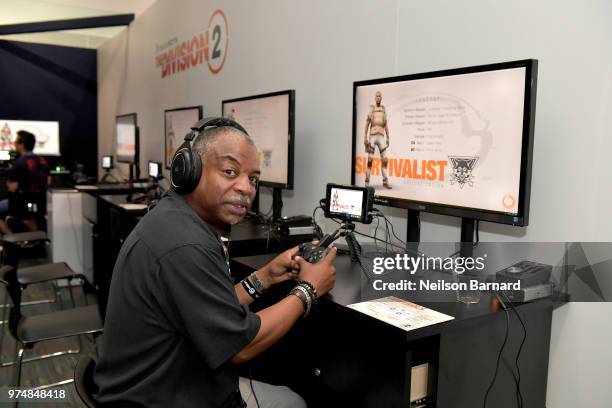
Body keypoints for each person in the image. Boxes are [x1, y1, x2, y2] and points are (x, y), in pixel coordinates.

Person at [94, 119, 337, 408]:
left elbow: (207, 307)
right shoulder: (185, 244)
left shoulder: (175, 219)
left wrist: (266, 277)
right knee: (295, 401)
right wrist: (309, 289)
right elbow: (241, 346)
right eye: (230, 172)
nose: (246, 188)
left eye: (253, 179)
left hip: (163, 384)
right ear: (189, 170)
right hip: (162, 397)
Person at [0, 130, 49, 234]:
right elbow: (48, 181)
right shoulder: (43, 161)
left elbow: (12, 188)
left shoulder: (20, 162)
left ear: (22, 145)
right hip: (39, 204)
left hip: (20, 204)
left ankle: (12, 238)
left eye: (16, 141)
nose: (14, 143)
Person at [364, 91, 392, 189]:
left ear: (381, 98)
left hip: (381, 136)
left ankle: (385, 181)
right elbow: (367, 123)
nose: (378, 97)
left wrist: (388, 137)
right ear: (375, 98)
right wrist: (365, 137)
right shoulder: (371, 109)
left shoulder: (383, 110)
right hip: (372, 136)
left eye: (380, 96)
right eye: (377, 96)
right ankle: (366, 183)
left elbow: (386, 125)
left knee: (384, 160)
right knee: (370, 160)